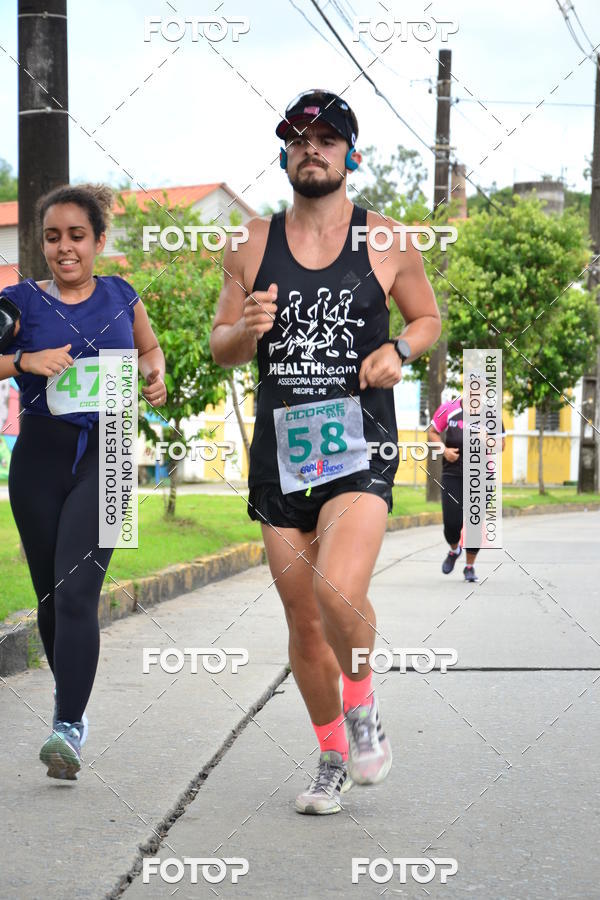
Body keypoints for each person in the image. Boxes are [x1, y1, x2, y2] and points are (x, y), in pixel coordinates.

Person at [210, 89, 441, 814]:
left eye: (327, 138)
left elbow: (427, 317)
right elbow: (221, 348)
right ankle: (331, 756)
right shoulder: (250, 242)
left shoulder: (390, 241)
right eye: (299, 138)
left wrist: (400, 349)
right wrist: (247, 328)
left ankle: (363, 704)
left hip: (358, 446)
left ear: (350, 153)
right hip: (283, 453)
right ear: (286, 152)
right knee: (303, 620)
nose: (312, 148)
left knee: (337, 589)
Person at [0, 184, 167, 780]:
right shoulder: (17, 302)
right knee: (49, 596)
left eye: (77, 236)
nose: (64, 248)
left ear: (99, 241)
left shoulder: (123, 295)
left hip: (111, 450)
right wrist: (25, 362)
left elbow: (151, 352)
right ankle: (65, 703)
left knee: (76, 591)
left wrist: (155, 377)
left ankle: (68, 725)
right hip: (40, 459)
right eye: (52, 237)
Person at [428, 395, 505, 583]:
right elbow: (433, 432)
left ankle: (469, 567)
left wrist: (488, 441)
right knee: (451, 523)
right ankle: (454, 550)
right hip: (453, 473)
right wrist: (444, 450)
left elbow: (501, 445)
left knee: (474, 523)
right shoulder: (449, 408)